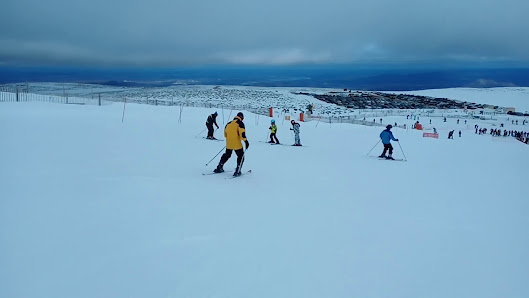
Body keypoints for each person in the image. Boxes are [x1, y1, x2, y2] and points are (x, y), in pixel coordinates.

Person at [213, 112, 249, 176]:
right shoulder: (240, 123)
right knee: (241, 156)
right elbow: (242, 135)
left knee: (227, 155)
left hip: (229, 143)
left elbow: (225, 135)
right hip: (237, 144)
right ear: (241, 117)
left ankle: (219, 166)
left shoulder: (228, 123)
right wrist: (246, 142)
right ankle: (238, 170)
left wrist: (230, 139)